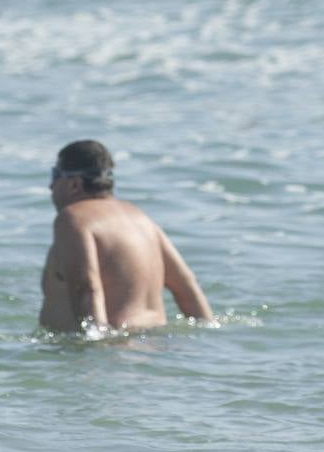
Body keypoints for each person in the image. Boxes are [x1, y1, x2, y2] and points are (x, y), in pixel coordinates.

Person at [40, 139, 213, 332]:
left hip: (111, 349)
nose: (51, 186)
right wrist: (208, 332)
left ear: (74, 184)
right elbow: (187, 285)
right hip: (154, 346)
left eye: (55, 175)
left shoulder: (73, 218)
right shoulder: (140, 219)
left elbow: (87, 288)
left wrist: (95, 346)